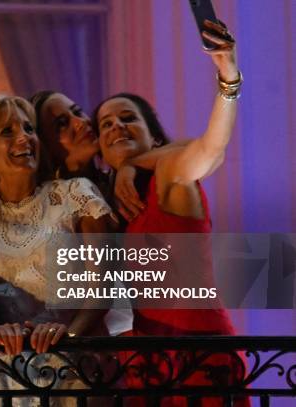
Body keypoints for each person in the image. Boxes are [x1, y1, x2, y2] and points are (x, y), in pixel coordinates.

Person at [87, 20, 248, 407]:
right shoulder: (111, 209)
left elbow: (211, 148)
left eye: (128, 118)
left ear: (154, 137)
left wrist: (228, 77)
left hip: (199, 359)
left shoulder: (170, 177)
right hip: (147, 364)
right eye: (105, 124)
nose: (115, 126)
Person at [0, 94, 115, 406]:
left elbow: (103, 288)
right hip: (1, 379)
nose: (24, 137)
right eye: (7, 132)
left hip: (75, 374)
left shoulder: (77, 195)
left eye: (29, 128)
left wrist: (66, 338)